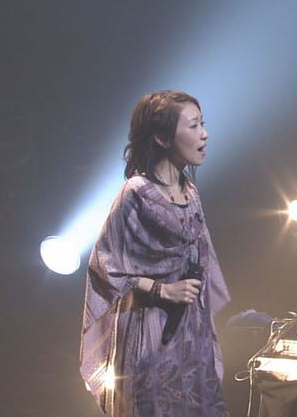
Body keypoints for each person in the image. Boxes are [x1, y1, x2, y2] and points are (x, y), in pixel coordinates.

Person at [80, 91, 231, 416]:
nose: (204, 134)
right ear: (162, 138)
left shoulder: (190, 192)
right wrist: (162, 290)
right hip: (151, 332)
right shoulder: (135, 193)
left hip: (191, 332)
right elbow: (105, 266)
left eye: (202, 123)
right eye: (193, 125)